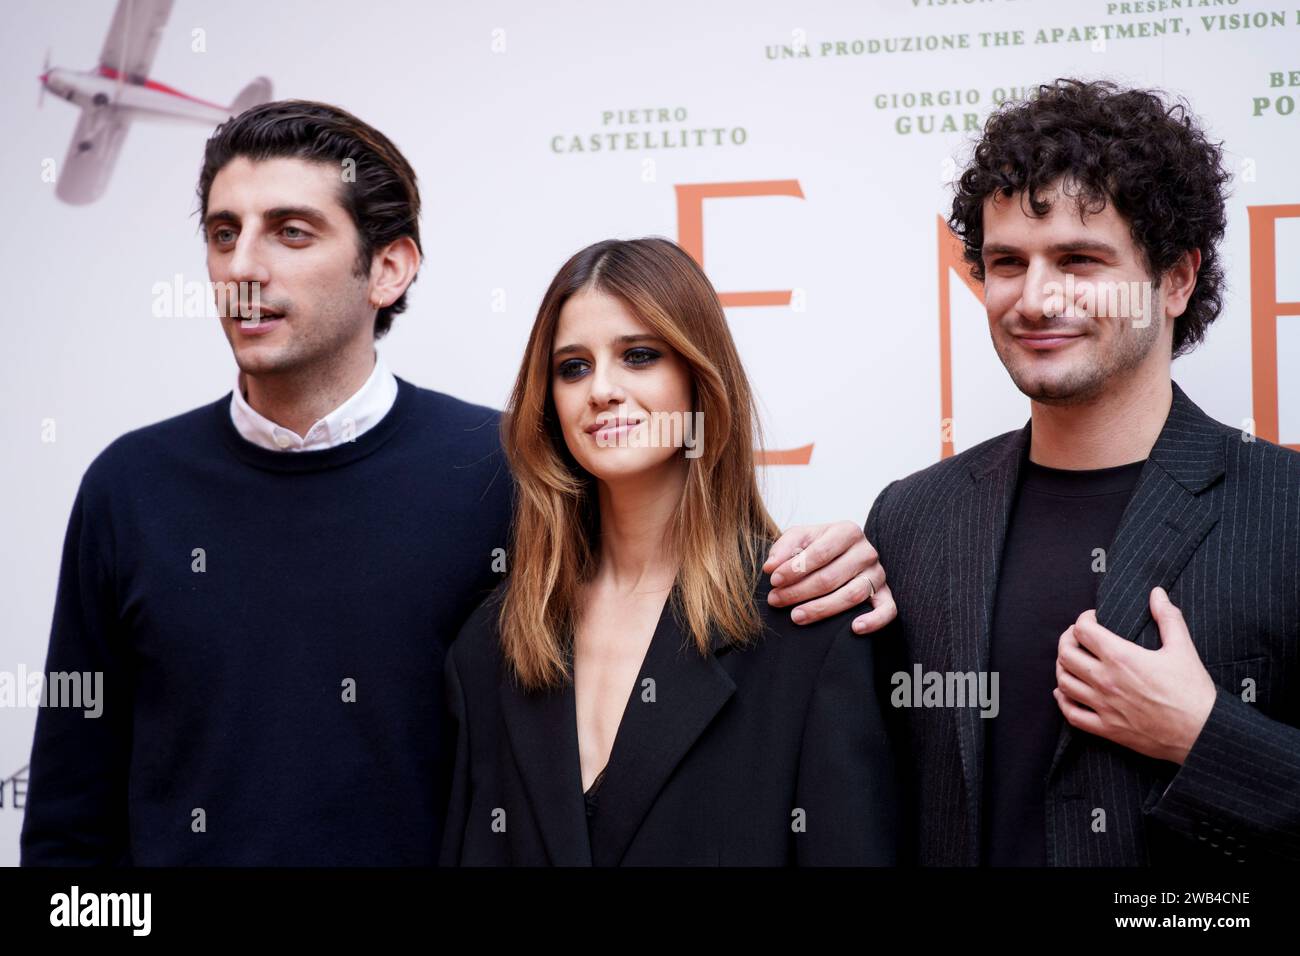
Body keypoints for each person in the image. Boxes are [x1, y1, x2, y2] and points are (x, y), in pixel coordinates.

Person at [21, 101, 892, 866]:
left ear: (391, 269)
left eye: (290, 231)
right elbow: (68, 818)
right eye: (222, 233)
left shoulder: (506, 472)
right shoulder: (128, 490)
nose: (244, 266)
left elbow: (689, 586)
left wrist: (847, 560)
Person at [868, 78, 1300, 865]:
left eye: (1078, 260)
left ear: (1175, 279)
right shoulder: (909, 519)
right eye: (1007, 262)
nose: (1034, 299)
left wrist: (1205, 735)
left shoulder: (1288, 511)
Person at [440, 238, 900, 866]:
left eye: (638, 355)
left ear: (698, 378)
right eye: (572, 367)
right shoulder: (492, 645)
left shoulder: (807, 625)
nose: (601, 388)